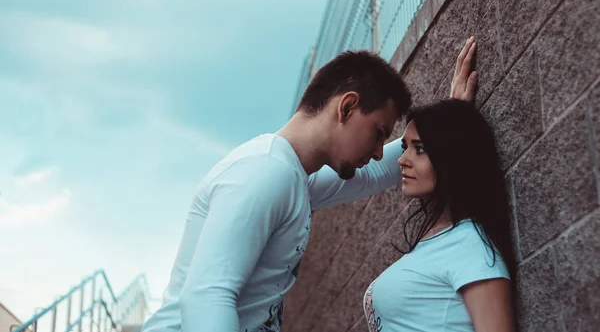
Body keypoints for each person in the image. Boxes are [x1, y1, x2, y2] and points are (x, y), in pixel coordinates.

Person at [141, 36, 478, 332]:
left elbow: (375, 174)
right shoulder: (264, 172)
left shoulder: (293, 177)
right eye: (378, 133)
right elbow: (206, 296)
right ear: (347, 107)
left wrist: (446, 127)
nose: (378, 152)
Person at [362, 98, 518, 331]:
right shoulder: (439, 240)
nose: (402, 160)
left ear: (452, 157)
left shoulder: (469, 245)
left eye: (420, 149)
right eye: (405, 148)